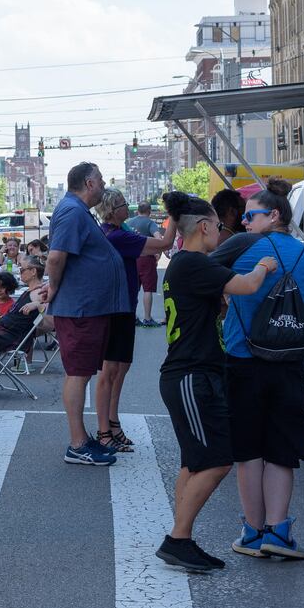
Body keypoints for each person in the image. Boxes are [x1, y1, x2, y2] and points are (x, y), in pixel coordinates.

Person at [155, 191, 278, 572]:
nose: (222, 233)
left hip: (191, 374)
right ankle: (178, 539)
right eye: (220, 227)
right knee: (217, 461)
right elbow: (246, 286)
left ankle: (182, 537)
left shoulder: (186, 265)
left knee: (193, 463)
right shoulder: (194, 263)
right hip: (192, 376)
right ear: (204, 227)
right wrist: (265, 266)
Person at [212, 187, 304, 561]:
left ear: (275, 216)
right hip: (290, 366)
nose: (244, 222)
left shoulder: (242, 246)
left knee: (248, 450)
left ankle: (251, 532)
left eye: (251, 215)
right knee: (281, 451)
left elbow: (203, 278)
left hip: (243, 361)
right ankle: (278, 533)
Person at [43, 163, 125, 467]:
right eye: (101, 181)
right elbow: (55, 257)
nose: (104, 186)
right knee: (78, 374)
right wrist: (53, 288)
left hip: (87, 308)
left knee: (83, 373)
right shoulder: (72, 211)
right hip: (79, 309)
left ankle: (82, 438)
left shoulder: (76, 211)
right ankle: (77, 444)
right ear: (89, 184)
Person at [93, 188, 175, 454]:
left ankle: (112, 424)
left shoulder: (116, 231)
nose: (126, 207)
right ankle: (104, 430)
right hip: (115, 309)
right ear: (112, 210)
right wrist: (174, 214)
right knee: (110, 371)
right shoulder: (117, 235)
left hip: (123, 307)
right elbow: (164, 245)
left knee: (121, 368)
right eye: (122, 204)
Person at [124, 202, 163, 326]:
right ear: (149, 211)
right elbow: (158, 238)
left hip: (131, 259)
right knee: (148, 289)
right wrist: (157, 252)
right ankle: (147, 318)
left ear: (137, 211)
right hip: (147, 259)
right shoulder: (150, 223)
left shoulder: (128, 223)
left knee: (133, 289)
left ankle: (133, 317)